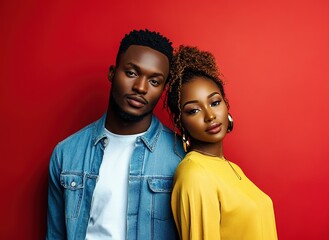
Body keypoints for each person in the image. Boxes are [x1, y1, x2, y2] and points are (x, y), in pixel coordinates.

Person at [46, 29, 184, 240]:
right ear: (112, 73)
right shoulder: (66, 153)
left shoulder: (180, 156)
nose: (140, 87)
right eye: (131, 73)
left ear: (163, 89)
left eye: (154, 81)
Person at [166, 45, 278, 240]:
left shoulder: (231, 168)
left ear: (226, 104)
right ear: (179, 122)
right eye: (194, 110)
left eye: (215, 102)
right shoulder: (195, 174)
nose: (210, 115)